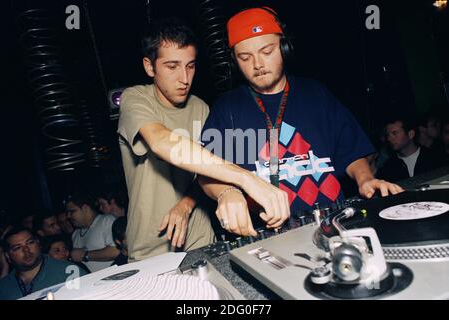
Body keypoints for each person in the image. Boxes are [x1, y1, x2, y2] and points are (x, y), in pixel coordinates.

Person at [198, 7, 403, 236]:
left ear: (285, 48)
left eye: (267, 51)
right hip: (268, 238)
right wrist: (226, 193)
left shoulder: (316, 93)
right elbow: (205, 174)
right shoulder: (227, 108)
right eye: (245, 57)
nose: (257, 64)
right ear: (234, 61)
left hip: (334, 227)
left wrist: (365, 179)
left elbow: (351, 151)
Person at [118, 18, 289, 261]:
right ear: (149, 66)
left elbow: (207, 173)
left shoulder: (201, 108)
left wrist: (186, 205)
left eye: (190, 66)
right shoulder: (135, 99)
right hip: (150, 247)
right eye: (172, 66)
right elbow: (162, 142)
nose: (184, 78)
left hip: (201, 240)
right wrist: (246, 178)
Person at [0, 228, 87, 300]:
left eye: (30, 243)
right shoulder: (4, 287)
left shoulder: (68, 271)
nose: (26, 250)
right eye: (18, 248)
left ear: (38, 244)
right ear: (8, 255)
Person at [377, 118, 445, 181]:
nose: (389, 139)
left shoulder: (434, 157)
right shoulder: (389, 167)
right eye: (388, 135)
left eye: (394, 133)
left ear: (410, 134)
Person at [66, 192, 119, 272]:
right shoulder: (75, 234)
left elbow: (116, 251)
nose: (68, 216)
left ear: (85, 208)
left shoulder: (106, 221)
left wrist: (85, 255)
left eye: (72, 212)